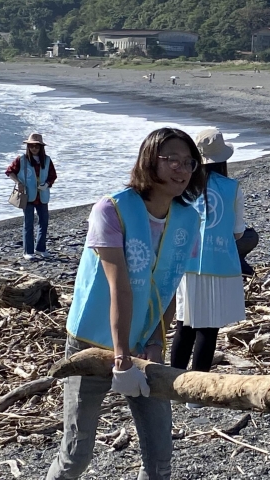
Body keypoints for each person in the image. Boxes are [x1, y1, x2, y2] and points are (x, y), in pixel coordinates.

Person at [46, 128, 205, 480]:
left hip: (144, 344)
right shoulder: (112, 208)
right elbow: (121, 287)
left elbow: (169, 286)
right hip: (93, 341)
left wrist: (154, 344)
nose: (181, 169)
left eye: (188, 162)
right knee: (77, 451)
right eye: (172, 160)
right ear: (150, 160)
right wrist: (121, 359)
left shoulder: (188, 219)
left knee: (160, 453)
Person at [171, 128, 246, 408]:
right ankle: (196, 392)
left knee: (185, 323)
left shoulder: (183, 185)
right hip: (220, 262)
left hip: (186, 262)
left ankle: (172, 382)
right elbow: (238, 231)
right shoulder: (232, 187)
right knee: (209, 327)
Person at [6, 133, 57, 260]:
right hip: (27, 196)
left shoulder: (47, 160)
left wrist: (47, 184)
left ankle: (40, 248)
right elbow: (9, 171)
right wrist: (18, 183)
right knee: (28, 223)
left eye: (36, 146)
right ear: (28, 147)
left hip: (42, 195)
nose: (34, 148)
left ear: (41, 147)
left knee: (43, 222)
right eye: (31, 146)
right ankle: (28, 251)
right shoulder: (21, 159)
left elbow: (53, 176)